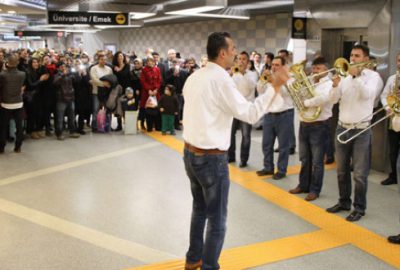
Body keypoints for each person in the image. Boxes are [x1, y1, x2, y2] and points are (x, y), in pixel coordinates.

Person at [182, 32, 289, 270]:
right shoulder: (221, 80)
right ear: (222, 53)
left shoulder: (194, 76)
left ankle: (193, 259)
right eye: (232, 49)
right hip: (211, 159)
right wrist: (276, 87)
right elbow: (250, 114)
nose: (235, 53)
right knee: (217, 219)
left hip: (190, 154)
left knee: (199, 210)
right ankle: (208, 266)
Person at [326, 44, 383, 222]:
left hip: (361, 130)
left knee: (359, 173)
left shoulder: (373, 77)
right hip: (342, 127)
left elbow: (369, 96)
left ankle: (359, 207)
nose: (352, 59)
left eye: (357, 56)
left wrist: (356, 77)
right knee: (341, 170)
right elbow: (333, 100)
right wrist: (335, 87)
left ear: (366, 59)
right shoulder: (344, 76)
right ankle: (343, 202)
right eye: (351, 55)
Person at [288, 57, 334, 201]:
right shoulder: (309, 81)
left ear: (326, 70)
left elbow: (323, 98)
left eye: (318, 68)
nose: (314, 71)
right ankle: (303, 185)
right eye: (314, 68)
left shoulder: (329, 84)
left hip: (319, 125)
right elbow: (297, 95)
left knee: (317, 161)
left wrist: (307, 102)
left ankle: (315, 190)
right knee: (304, 158)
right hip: (305, 123)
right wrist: (298, 86)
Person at [256, 56, 295, 180]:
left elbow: (286, 93)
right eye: (273, 64)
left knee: (283, 145)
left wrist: (274, 81)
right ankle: (268, 167)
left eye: (277, 65)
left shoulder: (290, 78)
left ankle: (281, 170)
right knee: (266, 144)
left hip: (284, 114)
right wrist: (262, 80)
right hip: (269, 115)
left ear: (283, 66)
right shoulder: (269, 76)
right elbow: (259, 90)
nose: (273, 67)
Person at [228, 51, 258, 167]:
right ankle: (230, 157)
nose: (241, 61)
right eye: (239, 59)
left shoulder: (252, 74)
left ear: (248, 62)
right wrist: (231, 75)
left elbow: (248, 88)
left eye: (243, 59)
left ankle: (243, 159)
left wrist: (242, 73)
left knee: (246, 135)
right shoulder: (233, 73)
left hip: (246, 109)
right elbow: (230, 89)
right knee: (230, 134)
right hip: (234, 108)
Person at [379, 52, 400, 185]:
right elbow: (384, 95)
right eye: (398, 60)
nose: (399, 63)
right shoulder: (392, 78)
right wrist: (388, 108)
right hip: (394, 119)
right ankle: (393, 176)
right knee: (392, 151)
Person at [0, 54, 26, 153]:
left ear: (8, 63)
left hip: (6, 103)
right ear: (17, 63)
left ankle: (2, 148)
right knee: (19, 127)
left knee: (3, 127)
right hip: (18, 103)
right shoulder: (22, 74)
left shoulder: (3, 74)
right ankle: (18, 147)